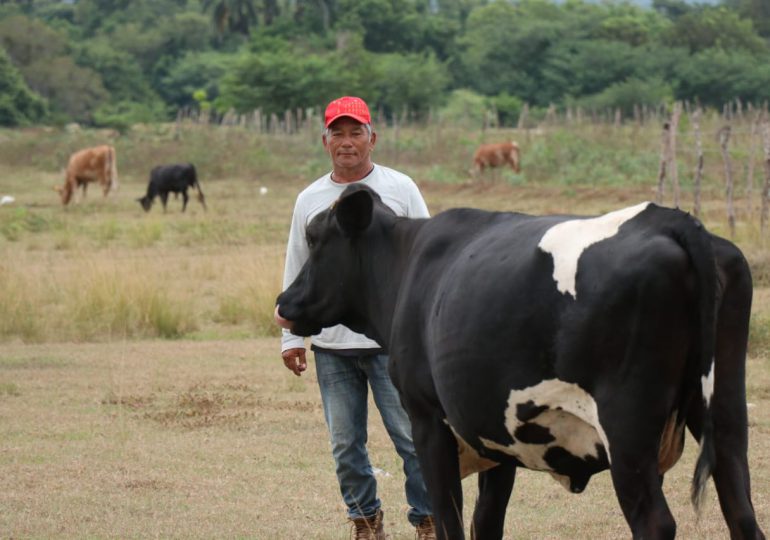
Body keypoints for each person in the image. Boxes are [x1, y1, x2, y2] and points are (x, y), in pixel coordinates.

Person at [279, 96, 435, 540]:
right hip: (332, 346)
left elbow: (430, 258)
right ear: (325, 140)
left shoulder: (401, 189)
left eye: (356, 132)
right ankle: (365, 521)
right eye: (338, 133)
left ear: (373, 138)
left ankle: (427, 520)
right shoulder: (309, 199)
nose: (347, 142)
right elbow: (298, 268)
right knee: (346, 447)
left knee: (413, 440)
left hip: (394, 345)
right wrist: (290, 339)